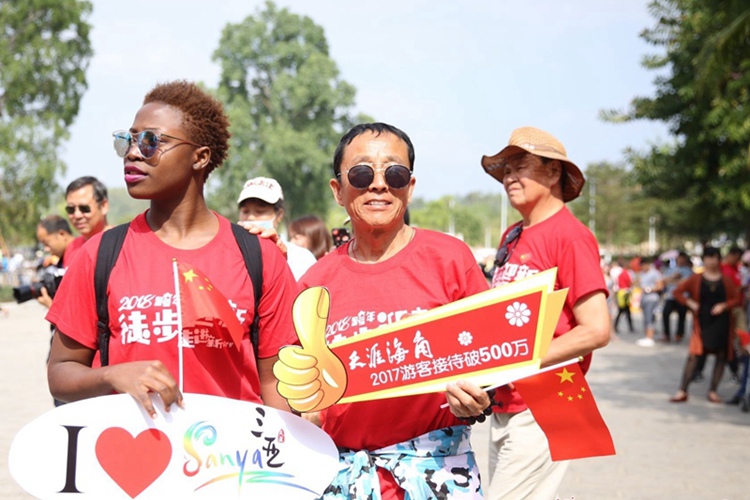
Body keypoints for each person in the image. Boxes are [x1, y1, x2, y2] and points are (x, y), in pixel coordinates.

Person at [46, 80, 298, 417]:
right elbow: (60, 371)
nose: (134, 152)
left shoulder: (259, 257)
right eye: (129, 140)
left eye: (151, 141)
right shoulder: (100, 254)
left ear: (200, 157)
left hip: (233, 464)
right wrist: (110, 375)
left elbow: (277, 388)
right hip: (133, 462)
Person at [297, 123, 490, 498]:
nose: (379, 185)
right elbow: (300, 392)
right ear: (338, 190)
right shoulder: (313, 284)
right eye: (362, 173)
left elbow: (492, 362)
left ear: (410, 187)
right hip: (342, 478)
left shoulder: (451, 260)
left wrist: (479, 396)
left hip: (438, 473)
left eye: (395, 173)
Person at [479, 126, 610, 499]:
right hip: (507, 400)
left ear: (554, 172)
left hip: (547, 400)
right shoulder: (512, 235)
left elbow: (596, 330)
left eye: (521, 165)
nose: (509, 177)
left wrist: (519, 360)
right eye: (505, 169)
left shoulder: (570, 236)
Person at [669, 246, 741, 403]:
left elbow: (737, 299)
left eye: (714, 257)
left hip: (721, 323)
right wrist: (690, 303)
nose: (711, 261)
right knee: (694, 356)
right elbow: (678, 292)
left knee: (721, 356)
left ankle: (713, 390)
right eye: (708, 257)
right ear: (704, 259)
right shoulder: (697, 278)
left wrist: (724, 305)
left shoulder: (725, 279)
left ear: (718, 259)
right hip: (702, 322)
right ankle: (682, 390)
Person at [237, 177, 317, 279]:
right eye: (245, 211)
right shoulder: (230, 253)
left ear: (279, 215)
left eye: (260, 211)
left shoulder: (301, 258)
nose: (251, 217)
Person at [63, 176, 112, 265]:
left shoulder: (121, 244)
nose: (77, 215)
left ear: (104, 206)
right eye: (71, 209)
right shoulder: (72, 248)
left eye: (84, 208)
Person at [34, 216, 76, 309]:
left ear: (62, 234)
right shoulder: (64, 257)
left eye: (46, 243)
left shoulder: (78, 255)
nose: (46, 249)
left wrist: (52, 306)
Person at [661, 252, 694, 343]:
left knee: (682, 316)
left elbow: (685, 283)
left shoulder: (688, 271)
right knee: (665, 313)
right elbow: (665, 280)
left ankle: (679, 334)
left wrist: (675, 280)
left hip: (683, 297)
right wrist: (675, 278)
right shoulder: (671, 269)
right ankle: (667, 334)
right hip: (671, 296)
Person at [635, 256, 665, 347]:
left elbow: (660, 286)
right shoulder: (642, 273)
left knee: (650, 318)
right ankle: (646, 336)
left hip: (652, 298)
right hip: (644, 298)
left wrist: (649, 289)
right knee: (646, 318)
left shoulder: (655, 273)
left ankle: (650, 337)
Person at [613, 259, 635, 334]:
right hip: (624, 293)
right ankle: (616, 326)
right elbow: (629, 283)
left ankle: (629, 326)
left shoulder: (621, 273)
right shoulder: (625, 273)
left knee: (624, 311)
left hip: (621, 293)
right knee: (623, 311)